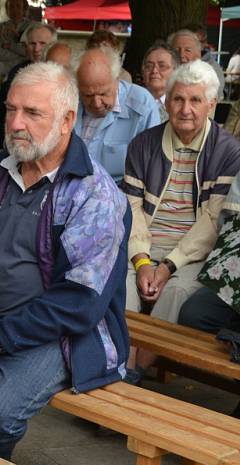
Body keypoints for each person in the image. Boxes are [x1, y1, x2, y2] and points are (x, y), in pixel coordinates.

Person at [0, 60, 129, 460]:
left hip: (60, 334)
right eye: (11, 109)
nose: (16, 123)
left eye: (32, 113)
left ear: (67, 120)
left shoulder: (94, 194)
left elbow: (80, 303)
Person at [122, 60, 240, 382]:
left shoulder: (228, 150)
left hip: (192, 254)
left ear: (211, 105)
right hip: (143, 245)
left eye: (195, 100)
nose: (185, 109)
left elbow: (213, 221)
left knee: (174, 292)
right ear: (167, 101)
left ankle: (132, 371)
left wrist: (167, 265)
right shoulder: (143, 144)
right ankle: (118, 364)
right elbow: (131, 209)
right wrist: (143, 260)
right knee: (121, 283)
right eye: (178, 99)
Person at [74, 46, 160, 182]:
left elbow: (152, 168)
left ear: (117, 79)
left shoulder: (141, 105)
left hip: (120, 194)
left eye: (103, 94)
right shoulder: (70, 101)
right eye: (88, 95)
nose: (96, 103)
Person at [0, 22, 56, 147]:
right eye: (32, 44)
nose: (37, 49)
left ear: (53, 46)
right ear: (25, 47)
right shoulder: (16, 72)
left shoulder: (61, 77)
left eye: (42, 44)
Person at [170, 29, 225, 102]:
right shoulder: (165, 71)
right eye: (176, 50)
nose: (181, 55)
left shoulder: (209, 73)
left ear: (198, 53)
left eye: (187, 50)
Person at [0, 0, 30, 77]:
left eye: (18, 6)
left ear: (24, 9)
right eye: (11, 6)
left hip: (24, 73)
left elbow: (29, 51)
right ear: (7, 10)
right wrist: (21, 55)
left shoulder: (31, 28)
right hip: (1, 73)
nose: (14, 10)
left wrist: (10, 46)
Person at [141, 42, 179, 121]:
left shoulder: (181, 103)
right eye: (149, 66)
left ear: (175, 71)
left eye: (162, 66)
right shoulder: (134, 100)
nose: (154, 71)